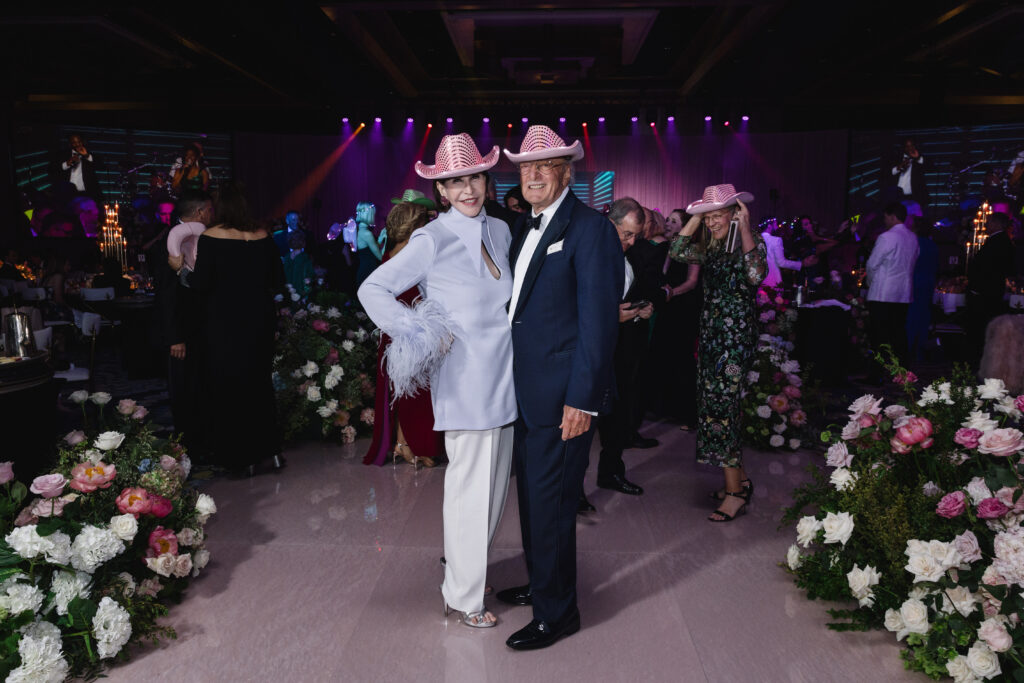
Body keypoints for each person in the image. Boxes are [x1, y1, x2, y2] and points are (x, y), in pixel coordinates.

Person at [358, 133, 516, 629]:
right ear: (441, 190)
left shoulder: (502, 230)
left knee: (493, 489)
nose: (467, 189)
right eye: (454, 181)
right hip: (466, 379)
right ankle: (464, 596)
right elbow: (373, 287)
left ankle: (468, 570)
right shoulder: (431, 238)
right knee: (468, 485)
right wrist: (422, 332)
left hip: (507, 376)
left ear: (487, 180)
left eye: (474, 177)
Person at [496, 125, 623, 651]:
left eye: (544, 166)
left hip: (563, 398)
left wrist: (582, 399)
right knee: (534, 502)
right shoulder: (527, 228)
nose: (533, 176)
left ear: (566, 172)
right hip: (527, 394)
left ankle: (558, 613)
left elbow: (598, 325)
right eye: (526, 168)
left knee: (552, 506)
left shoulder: (591, 228)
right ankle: (542, 584)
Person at [670, 184, 766, 523]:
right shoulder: (709, 249)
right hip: (712, 336)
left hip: (736, 338)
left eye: (717, 216)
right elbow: (678, 250)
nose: (712, 223)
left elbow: (756, 276)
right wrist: (695, 217)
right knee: (713, 407)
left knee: (723, 407)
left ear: (735, 214)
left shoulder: (748, 243)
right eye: (707, 217)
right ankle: (737, 480)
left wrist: (747, 228)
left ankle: (735, 493)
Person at [190, 182, 285, 475]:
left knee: (229, 387)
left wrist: (182, 270)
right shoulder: (262, 236)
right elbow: (277, 280)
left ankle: (240, 458)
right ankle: (269, 451)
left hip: (225, 322)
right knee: (259, 383)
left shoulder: (210, 237)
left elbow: (201, 285)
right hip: (259, 319)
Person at [362, 191, 444, 469]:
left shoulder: (391, 251)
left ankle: (403, 442)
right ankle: (413, 444)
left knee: (403, 388)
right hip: (411, 333)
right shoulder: (412, 255)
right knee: (412, 390)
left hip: (399, 332)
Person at [595, 198, 652, 497]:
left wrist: (643, 308)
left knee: (617, 419)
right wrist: (610, 316)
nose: (631, 242)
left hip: (622, 351)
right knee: (585, 423)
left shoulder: (629, 258)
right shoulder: (588, 255)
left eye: (635, 236)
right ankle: (572, 493)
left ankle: (611, 473)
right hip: (592, 353)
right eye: (626, 234)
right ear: (609, 223)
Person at [157, 192, 213, 458]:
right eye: (210, 210)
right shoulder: (171, 240)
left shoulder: (200, 237)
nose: (212, 215)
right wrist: (174, 336)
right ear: (200, 212)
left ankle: (203, 441)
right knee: (182, 388)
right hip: (182, 330)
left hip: (201, 328)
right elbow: (166, 294)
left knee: (199, 386)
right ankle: (188, 445)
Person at [649, 208, 702, 429]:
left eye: (674, 221)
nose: (668, 223)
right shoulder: (666, 246)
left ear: (685, 226)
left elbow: (692, 281)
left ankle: (689, 414)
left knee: (682, 359)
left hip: (684, 308)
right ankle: (665, 408)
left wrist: (673, 293)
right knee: (663, 355)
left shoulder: (693, 248)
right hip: (668, 308)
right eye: (668, 220)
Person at [865, 202, 919, 377]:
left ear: (892, 216)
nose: (884, 220)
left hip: (883, 293)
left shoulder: (886, 237)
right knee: (898, 335)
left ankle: (876, 375)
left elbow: (872, 264)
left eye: (886, 217)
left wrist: (870, 283)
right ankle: (904, 372)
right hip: (903, 293)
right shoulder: (912, 237)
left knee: (878, 337)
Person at [968, 212, 1016, 364]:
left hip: (986, 291)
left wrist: (976, 287)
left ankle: (979, 358)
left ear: (996, 224)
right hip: (991, 289)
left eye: (988, 222)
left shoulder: (998, 242)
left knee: (982, 325)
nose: (986, 225)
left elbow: (987, 267)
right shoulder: (1002, 241)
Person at [906, 209, 938, 362]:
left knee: (911, 317)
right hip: (928, 282)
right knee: (923, 317)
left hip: (914, 282)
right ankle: (920, 351)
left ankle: (908, 350)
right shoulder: (933, 245)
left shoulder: (913, 243)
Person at [762, 217, 815, 288]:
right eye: (775, 225)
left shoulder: (755, 238)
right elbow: (781, 262)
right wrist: (800, 264)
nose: (777, 227)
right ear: (769, 226)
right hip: (772, 280)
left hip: (759, 279)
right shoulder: (776, 240)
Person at [51, 132, 103, 201]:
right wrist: (67, 163)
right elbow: (51, 169)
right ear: (70, 144)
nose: (77, 144)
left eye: (79, 142)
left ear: (83, 142)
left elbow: (102, 167)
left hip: (86, 194)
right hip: (67, 194)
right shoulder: (62, 155)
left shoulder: (89, 154)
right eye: (74, 142)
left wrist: (87, 156)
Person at [891, 137, 928, 208]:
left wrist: (917, 158)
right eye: (907, 146)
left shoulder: (919, 160)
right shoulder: (897, 158)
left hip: (913, 197)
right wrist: (900, 166)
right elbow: (889, 173)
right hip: (897, 197)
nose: (910, 148)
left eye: (912, 146)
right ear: (904, 148)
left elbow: (931, 168)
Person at [354, 202, 384, 287]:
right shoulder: (367, 233)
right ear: (369, 214)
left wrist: (380, 238)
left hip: (365, 270)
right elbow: (380, 257)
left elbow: (370, 251)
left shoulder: (360, 230)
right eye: (373, 214)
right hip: (368, 272)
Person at [283, 230, 315, 296]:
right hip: (301, 290)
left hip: (289, 290)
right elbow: (310, 275)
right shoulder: (305, 258)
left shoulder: (286, 257)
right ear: (303, 242)